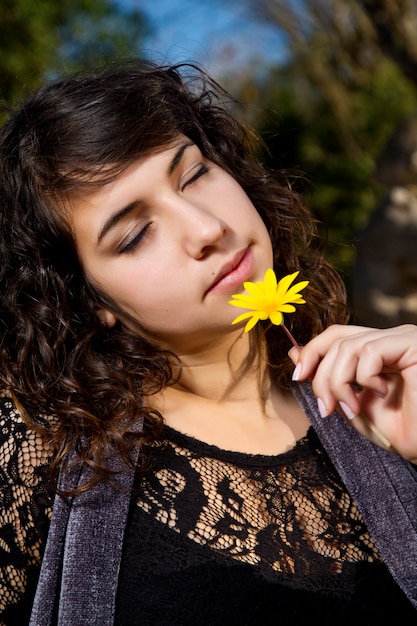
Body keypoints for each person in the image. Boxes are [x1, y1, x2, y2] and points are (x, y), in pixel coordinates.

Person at [0, 59, 416, 626]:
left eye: (194, 175)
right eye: (135, 234)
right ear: (87, 299)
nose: (206, 229)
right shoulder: (39, 450)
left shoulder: (378, 391)